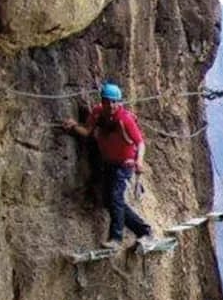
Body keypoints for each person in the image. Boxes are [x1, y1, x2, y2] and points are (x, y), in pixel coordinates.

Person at [62, 82, 162, 250]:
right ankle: (144, 231)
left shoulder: (125, 119)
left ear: (119, 102)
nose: (111, 105)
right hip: (109, 163)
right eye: (108, 101)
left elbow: (140, 143)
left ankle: (116, 238)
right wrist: (73, 127)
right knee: (110, 201)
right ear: (102, 101)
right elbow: (87, 131)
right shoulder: (98, 113)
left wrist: (139, 161)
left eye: (114, 101)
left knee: (115, 198)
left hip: (124, 164)